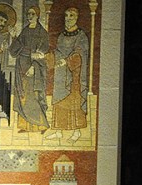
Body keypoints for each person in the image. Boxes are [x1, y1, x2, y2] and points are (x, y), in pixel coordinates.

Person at [49, 6, 90, 143]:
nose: (68, 19)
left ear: (76, 17)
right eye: (66, 16)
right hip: (61, 75)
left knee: (73, 102)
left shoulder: (81, 36)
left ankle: (76, 132)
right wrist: (49, 58)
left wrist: (66, 62)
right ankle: (58, 131)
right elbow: (58, 52)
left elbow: (80, 53)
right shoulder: (61, 36)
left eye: (71, 16)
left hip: (74, 75)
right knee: (60, 101)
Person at [10, 5, 51, 133]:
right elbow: (14, 50)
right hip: (21, 68)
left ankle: (41, 125)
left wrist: (34, 66)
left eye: (32, 14)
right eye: (28, 14)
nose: (30, 16)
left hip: (34, 69)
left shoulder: (42, 33)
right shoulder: (25, 31)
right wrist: (14, 37)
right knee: (23, 96)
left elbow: (42, 53)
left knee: (34, 96)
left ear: (38, 15)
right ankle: (26, 126)